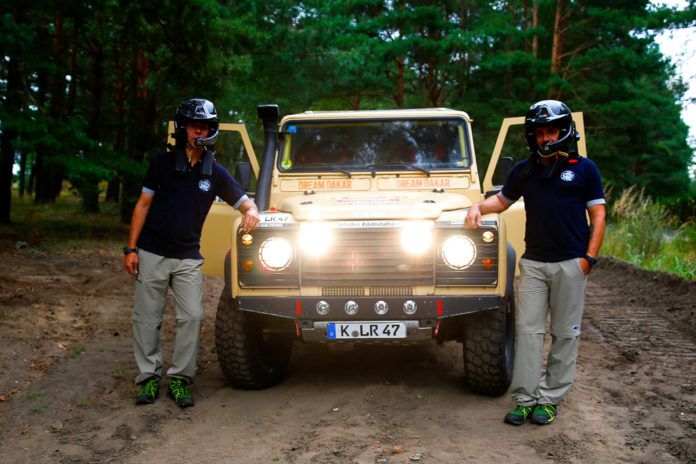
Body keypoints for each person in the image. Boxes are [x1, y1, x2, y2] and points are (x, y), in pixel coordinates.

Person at [465, 100, 606, 426]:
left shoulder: (585, 169)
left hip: (571, 263)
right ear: (532, 135)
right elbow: (502, 201)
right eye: (540, 132)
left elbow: (598, 216)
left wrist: (589, 258)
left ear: (564, 130)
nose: (545, 138)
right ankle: (525, 400)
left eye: (551, 130)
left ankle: (550, 399)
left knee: (564, 334)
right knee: (528, 333)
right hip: (533, 265)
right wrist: (477, 209)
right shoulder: (524, 171)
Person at [123, 98, 260, 408]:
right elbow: (142, 205)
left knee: (192, 317)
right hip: (152, 252)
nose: (200, 131)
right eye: (195, 125)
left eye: (206, 126)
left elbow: (245, 202)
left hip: (188, 257)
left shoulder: (215, 173)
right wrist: (131, 249)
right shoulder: (161, 164)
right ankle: (147, 378)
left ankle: (180, 380)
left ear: (212, 130)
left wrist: (252, 212)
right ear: (182, 128)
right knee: (146, 319)